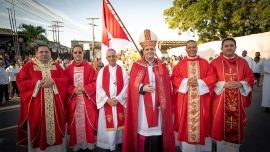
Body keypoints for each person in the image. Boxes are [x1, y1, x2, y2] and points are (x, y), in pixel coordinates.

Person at [122, 29, 175, 152]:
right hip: (142, 106)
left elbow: (167, 86)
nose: (150, 51)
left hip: (158, 106)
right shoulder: (137, 65)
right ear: (143, 51)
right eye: (147, 49)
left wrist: (163, 101)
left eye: (152, 49)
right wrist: (142, 87)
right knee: (143, 130)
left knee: (158, 131)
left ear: (155, 51)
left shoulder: (162, 66)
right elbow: (132, 85)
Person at [16, 45, 68, 151]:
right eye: (41, 52)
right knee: (37, 127)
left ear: (50, 53)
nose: (44, 54)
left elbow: (65, 80)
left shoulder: (56, 66)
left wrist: (53, 81)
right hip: (36, 107)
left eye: (46, 52)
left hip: (54, 108)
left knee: (55, 130)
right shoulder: (28, 66)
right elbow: (21, 82)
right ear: (36, 54)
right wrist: (38, 83)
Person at [171, 40, 216, 152]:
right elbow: (174, 78)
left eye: (193, 47)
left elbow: (212, 77)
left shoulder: (205, 63)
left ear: (197, 48)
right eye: (189, 47)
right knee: (186, 124)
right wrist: (186, 81)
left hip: (201, 101)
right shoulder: (180, 64)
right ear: (186, 49)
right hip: (185, 102)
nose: (191, 49)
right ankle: (187, 148)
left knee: (203, 121)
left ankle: (203, 149)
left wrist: (199, 82)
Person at [210, 38, 254, 152]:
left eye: (231, 45)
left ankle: (233, 149)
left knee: (234, 124)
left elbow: (250, 77)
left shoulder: (243, 62)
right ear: (221, 48)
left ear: (235, 47)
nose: (229, 47)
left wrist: (241, 83)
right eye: (226, 46)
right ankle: (220, 148)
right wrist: (224, 85)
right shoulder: (214, 62)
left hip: (237, 100)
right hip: (220, 100)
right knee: (220, 124)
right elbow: (209, 80)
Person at [65, 45, 98, 151]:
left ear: (83, 54)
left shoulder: (90, 68)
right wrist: (73, 89)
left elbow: (95, 83)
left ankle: (88, 145)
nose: (78, 54)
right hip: (74, 102)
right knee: (75, 125)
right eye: (75, 52)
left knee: (88, 124)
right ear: (72, 54)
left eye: (80, 52)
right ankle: (77, 145)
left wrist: (84, 88)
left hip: (86, 102)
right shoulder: (68, 69)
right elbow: (64, 84)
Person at [96, 48, 128, 151]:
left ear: (116, 57)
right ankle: (108, 145)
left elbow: (126, 87)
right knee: (107, 124)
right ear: (106, 58)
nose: (111, 58)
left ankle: (119, 142)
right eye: (109, 56)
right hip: (107, 104)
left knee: (120, 126)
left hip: (119, 103)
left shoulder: (122, 70)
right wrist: (107, 99)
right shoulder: (102, 71)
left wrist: (118, 99)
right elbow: (99, 87)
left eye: (113, 56)